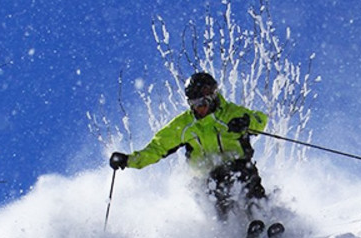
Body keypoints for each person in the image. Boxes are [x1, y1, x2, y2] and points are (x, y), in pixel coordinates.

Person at [109, 72, 269, 222]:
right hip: (206, 178)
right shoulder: (185, 125)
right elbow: (157, 147)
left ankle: (263, 218)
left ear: (212, 97)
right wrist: (128, 160)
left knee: (242, 175)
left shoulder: (230, 113)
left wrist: (246, 122)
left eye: (201, 102)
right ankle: (230, 236)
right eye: (193, 103)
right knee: (215, 188)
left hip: (239, 168)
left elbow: (260, 119)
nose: (198, 108)